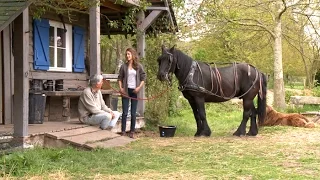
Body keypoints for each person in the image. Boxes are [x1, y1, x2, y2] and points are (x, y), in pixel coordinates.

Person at [118, 48, 146, 138]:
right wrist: (121, 88)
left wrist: (139, 87)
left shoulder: (139, 66)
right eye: (126, 54)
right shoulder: (123, 66)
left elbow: (143, 78)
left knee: (133, 113)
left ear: (133, 55)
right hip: (126, 90)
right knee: (125, 112)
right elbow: (120, 78)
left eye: (129, 54)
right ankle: (123, 131)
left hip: (135, 91)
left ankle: (132, 131)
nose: (127, 56)